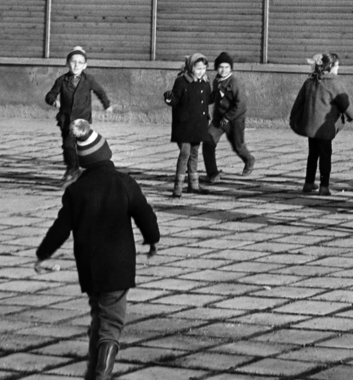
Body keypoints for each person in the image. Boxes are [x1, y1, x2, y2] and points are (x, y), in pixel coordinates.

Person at [34, 120, 159, 380]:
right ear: (107, 154)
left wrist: (44, 253)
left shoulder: (76, 191)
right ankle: (102, 373)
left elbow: (61, 227)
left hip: (90, 267)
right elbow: (145, 214)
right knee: (111, 323)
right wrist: (152, 240)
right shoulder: (125, 183)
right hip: (118, 265)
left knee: (98, 317)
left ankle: (93, 372)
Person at [288, 52, 353, 196]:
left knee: (312, 154)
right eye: (337, 66)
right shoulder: (334, 83)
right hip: (325, 128)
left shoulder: (310, 81)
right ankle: (324, 186)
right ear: (330, 67)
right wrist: (352, 116)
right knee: (325, 155)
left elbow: (299, 102)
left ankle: (309, 182)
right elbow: (344, 102)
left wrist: (295, 119)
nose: (338, 69)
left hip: (311, 126)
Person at [44, 47, 111, 186]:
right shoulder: (62, 80)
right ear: (67, 64)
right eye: (73, 62)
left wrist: (107, 105)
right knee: (68, 146)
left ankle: (82, 170)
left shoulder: (89, 80)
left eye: (80, 62)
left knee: (80, 145)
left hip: (82, 120)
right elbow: (50, 95)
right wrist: (53, 101)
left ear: (85, 65)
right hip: (66, 120)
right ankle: (73, 169)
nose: (76, 65)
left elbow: (100, 92)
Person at [162, 54, 212, 198]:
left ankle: (193, 185)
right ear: (191, 67)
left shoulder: (205, 82)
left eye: (203, 68)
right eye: (198, 68)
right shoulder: (182, 81)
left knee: (194, 153)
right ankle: (178, 188)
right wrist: (169, 98)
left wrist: (220, 94)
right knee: (185, 153)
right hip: (184, 125)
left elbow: (208, 99)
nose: (201, 71)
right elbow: (175, 100)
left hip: (198, 125)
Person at [202, 51, 256, 183]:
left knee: (238, 146)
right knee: (208, 142)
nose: (223, 70)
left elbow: (241, 105)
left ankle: (249, 159)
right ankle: (213, 174)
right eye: (220, 67)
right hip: (218, 119)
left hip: (234, 120)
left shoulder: (235, 83)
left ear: (231, 68)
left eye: (226, 67)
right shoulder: (216, 80)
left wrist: (228, 117)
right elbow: (214, 97)